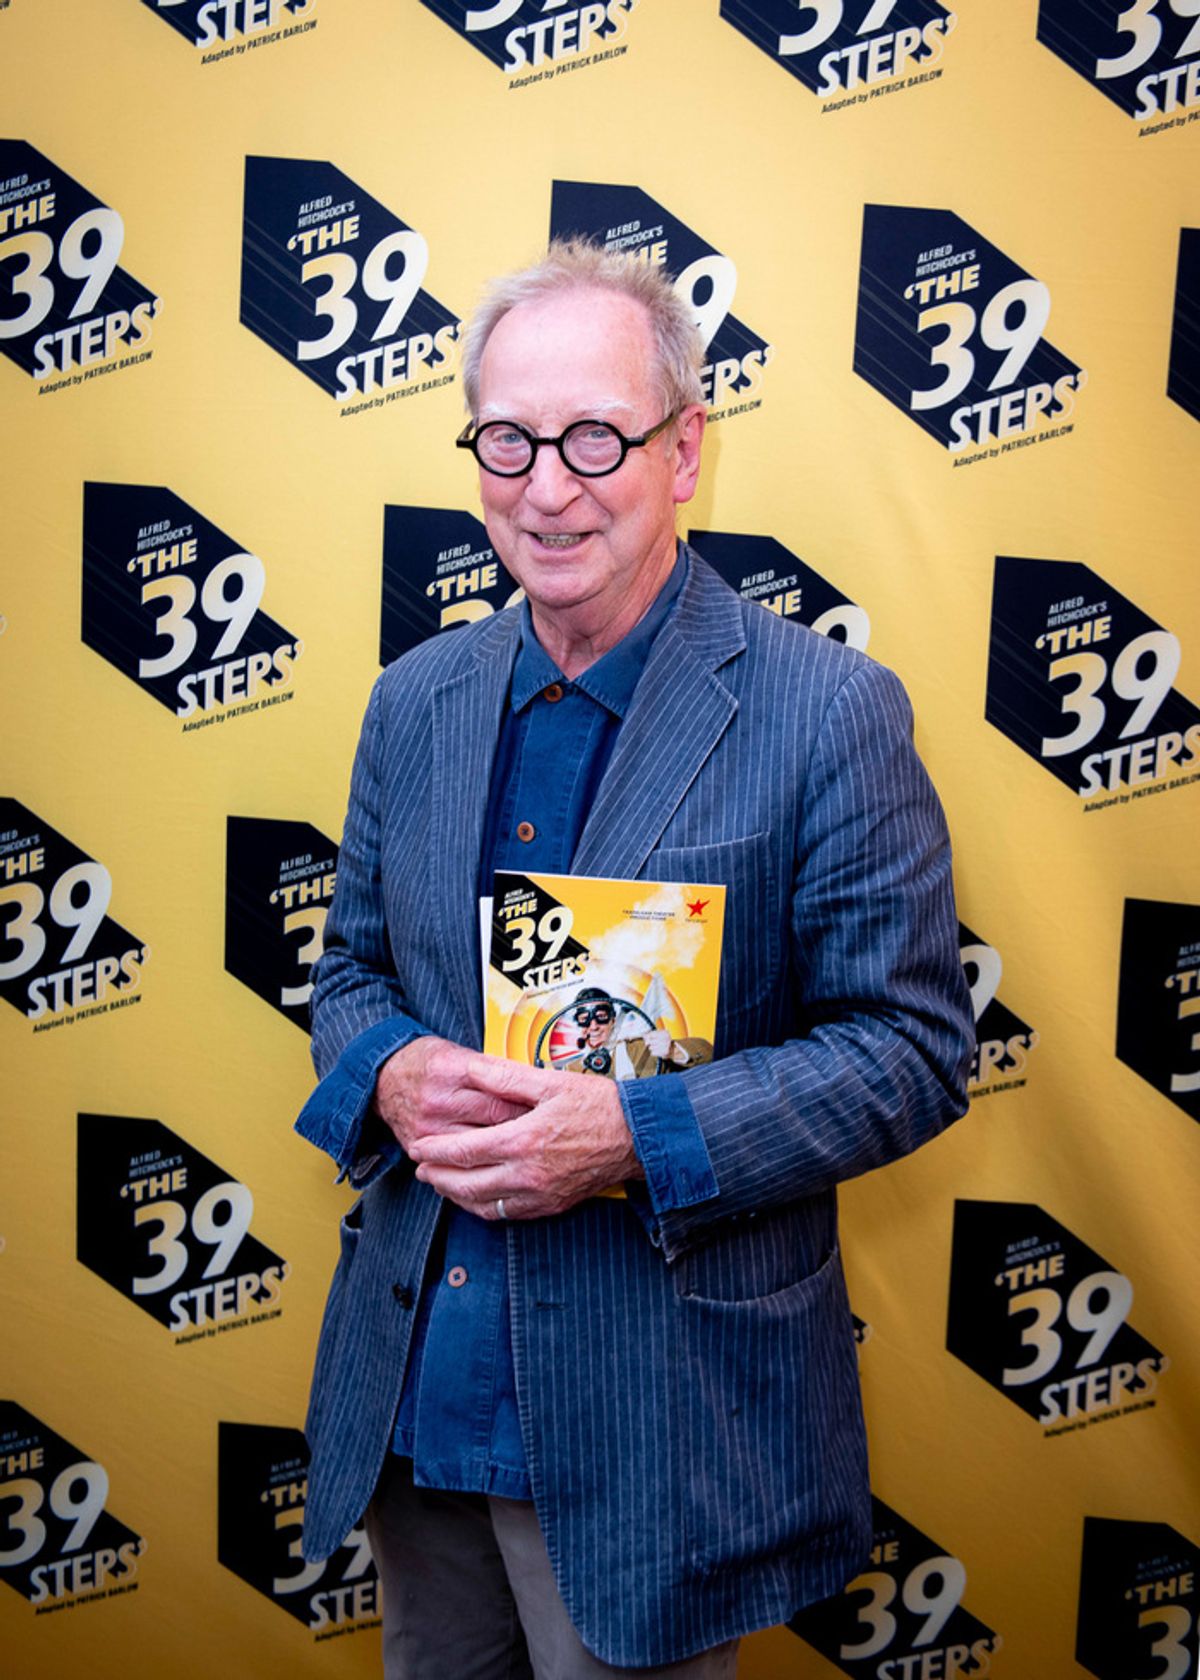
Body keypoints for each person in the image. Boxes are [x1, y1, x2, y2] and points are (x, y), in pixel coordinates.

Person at [294, 240, 974, 1678]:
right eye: (508, 437)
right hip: (418, 1391)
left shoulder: (826, 712)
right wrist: (393, 1071)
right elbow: (349, 974)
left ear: (683, 452)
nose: (548, 485)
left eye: (597, 435)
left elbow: (910, 1052)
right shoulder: (413, 703)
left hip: (651, 1418)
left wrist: (631, 1136)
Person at [551, 986, 713, 1078]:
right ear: (578, 1025)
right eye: (585, 1019)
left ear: (613, 1020)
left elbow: (708, 1053)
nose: (593, 1026)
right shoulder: (571, 1071)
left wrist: (673, 1051)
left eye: (601, 1017)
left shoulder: (644, 1049)